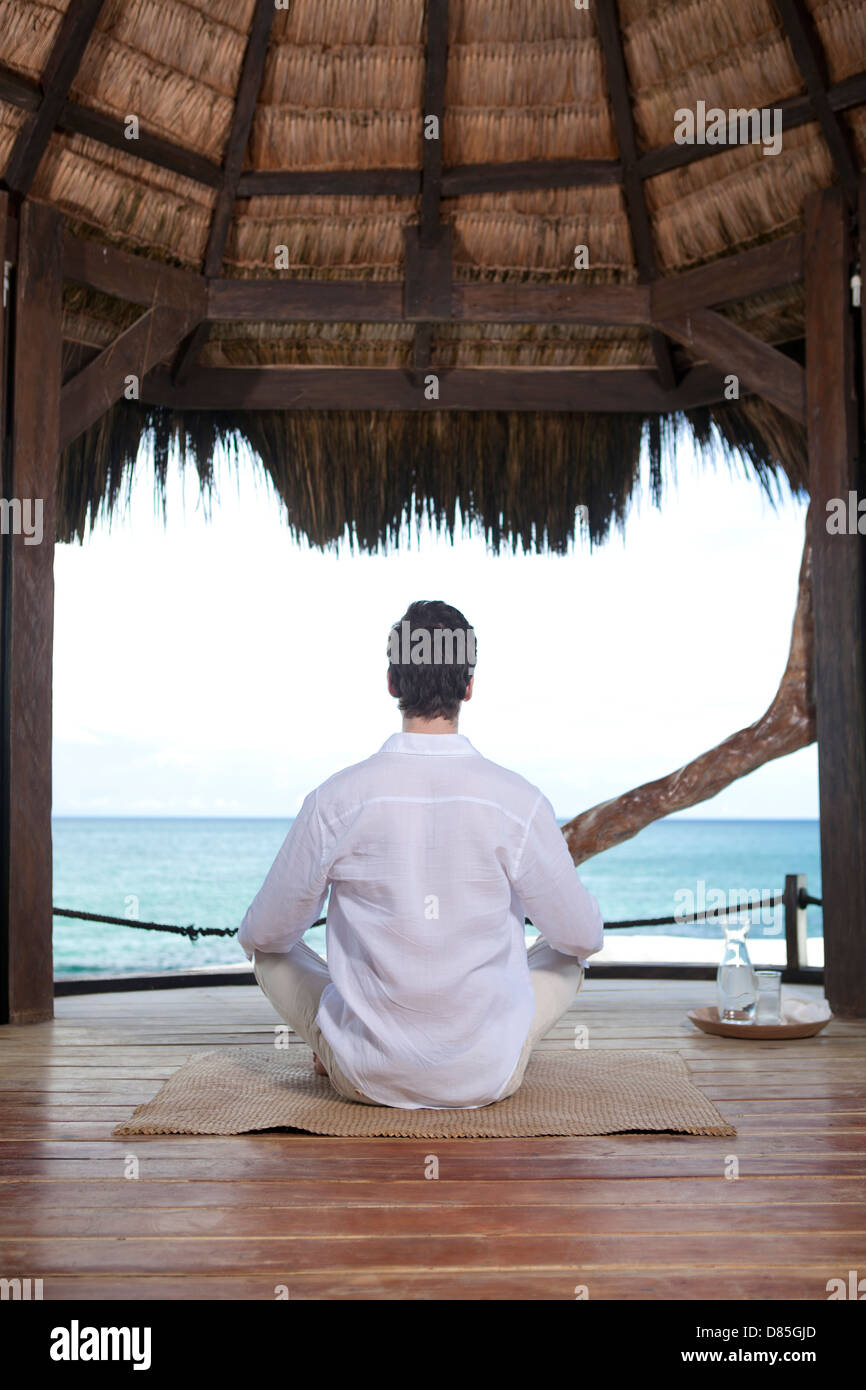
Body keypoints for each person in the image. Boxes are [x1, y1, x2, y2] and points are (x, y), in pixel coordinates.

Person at [239, 599, 604, 1110]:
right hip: (489, 1078)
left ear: (392, 682)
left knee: (269, 952)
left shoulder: (336, 799)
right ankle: (492, 1042)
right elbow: (583, 937)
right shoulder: (519, 801)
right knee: (570, 954)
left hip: (364, 1077)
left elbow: (265, 934)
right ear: (469, 687)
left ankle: (339, 1045)